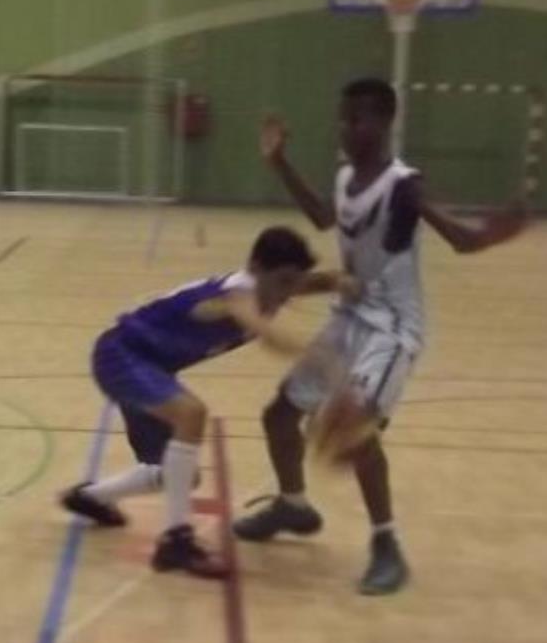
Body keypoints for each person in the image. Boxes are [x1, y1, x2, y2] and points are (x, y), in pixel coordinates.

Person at [232, 78, 527, 594]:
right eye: (343, 119)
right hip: (349, 314)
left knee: (357, 429)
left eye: (358, 119)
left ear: (385, 122)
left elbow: (460, 240)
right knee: (278, 414)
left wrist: (490, 234)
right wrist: (280, 162)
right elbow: (323, 217)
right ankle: (293, 506)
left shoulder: (403, 184)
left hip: (392, 327)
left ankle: (387, 543)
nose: (347, 128)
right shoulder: (347, 175)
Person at [60, 227, 351, 576]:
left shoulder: (272, 285)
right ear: (256, 267)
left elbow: (316, 282)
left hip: (150, 366)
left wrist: (348, 282)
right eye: (284, 282)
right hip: (121, 356)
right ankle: (176, 543)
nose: (288, 293)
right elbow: (270, 336)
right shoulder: (236, 296)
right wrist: (328, 364)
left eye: (294, 284)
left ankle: (89, 498)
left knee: (179, 475)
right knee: (191, 414)